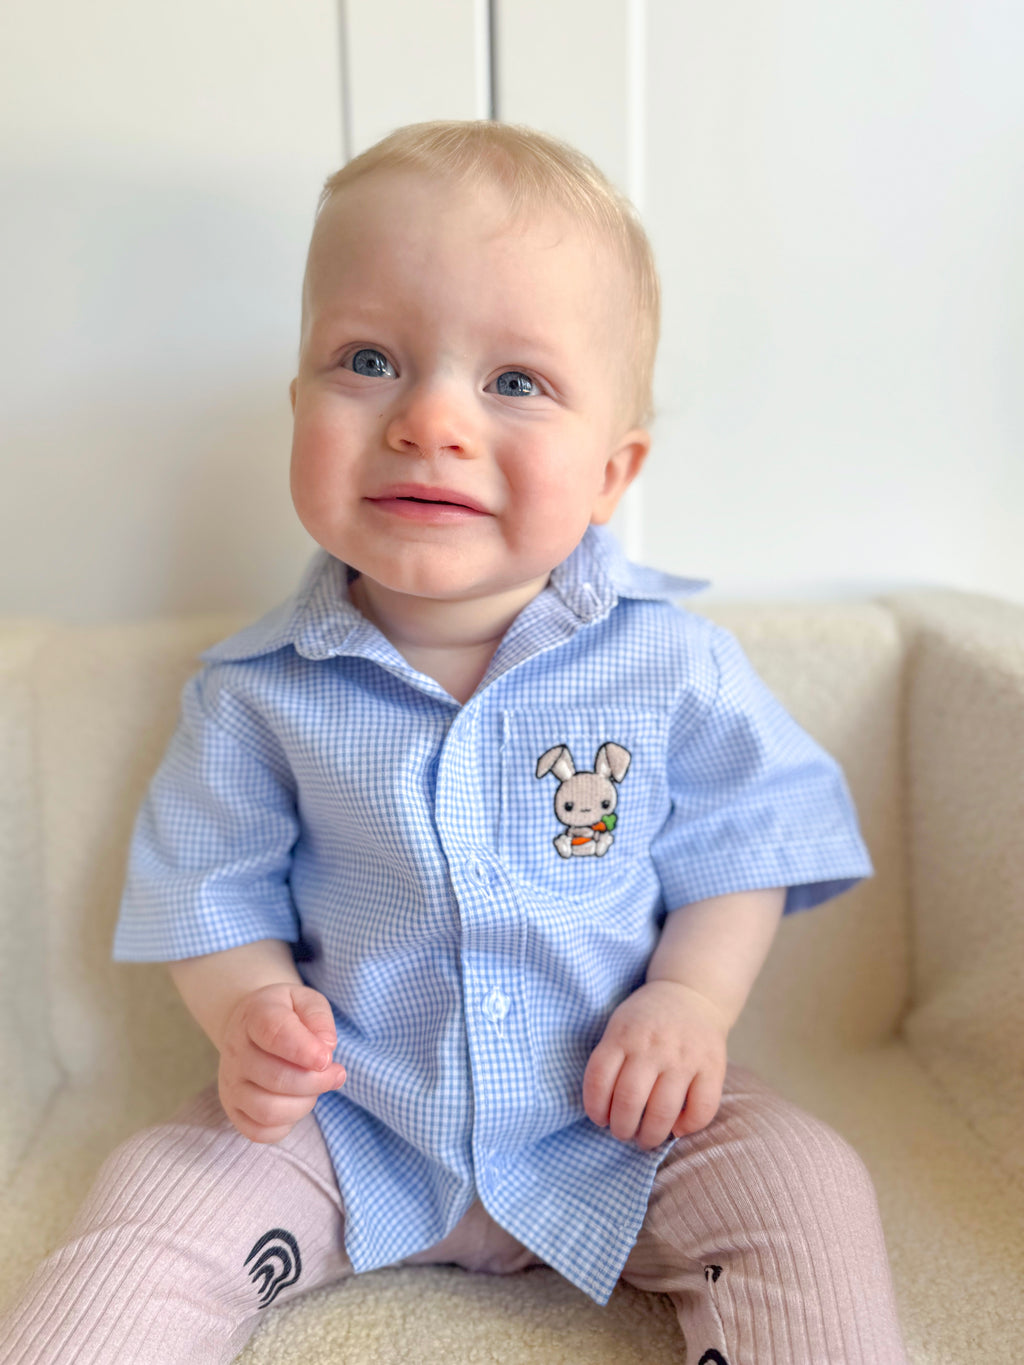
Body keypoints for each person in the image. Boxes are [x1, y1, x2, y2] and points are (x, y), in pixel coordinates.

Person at [1, 120, 906, 1364]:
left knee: (801, 1182)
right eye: (368, 359)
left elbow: (745, 841)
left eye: (515, 382)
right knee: (159, 1192)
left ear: (611, 471)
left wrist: (690, 1000)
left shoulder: (669, 663)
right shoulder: (258, 693)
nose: (430, 420)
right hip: (350, 1118)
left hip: (618, 1116)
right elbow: (204, 890)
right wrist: (248, 1011)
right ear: (298, 404)